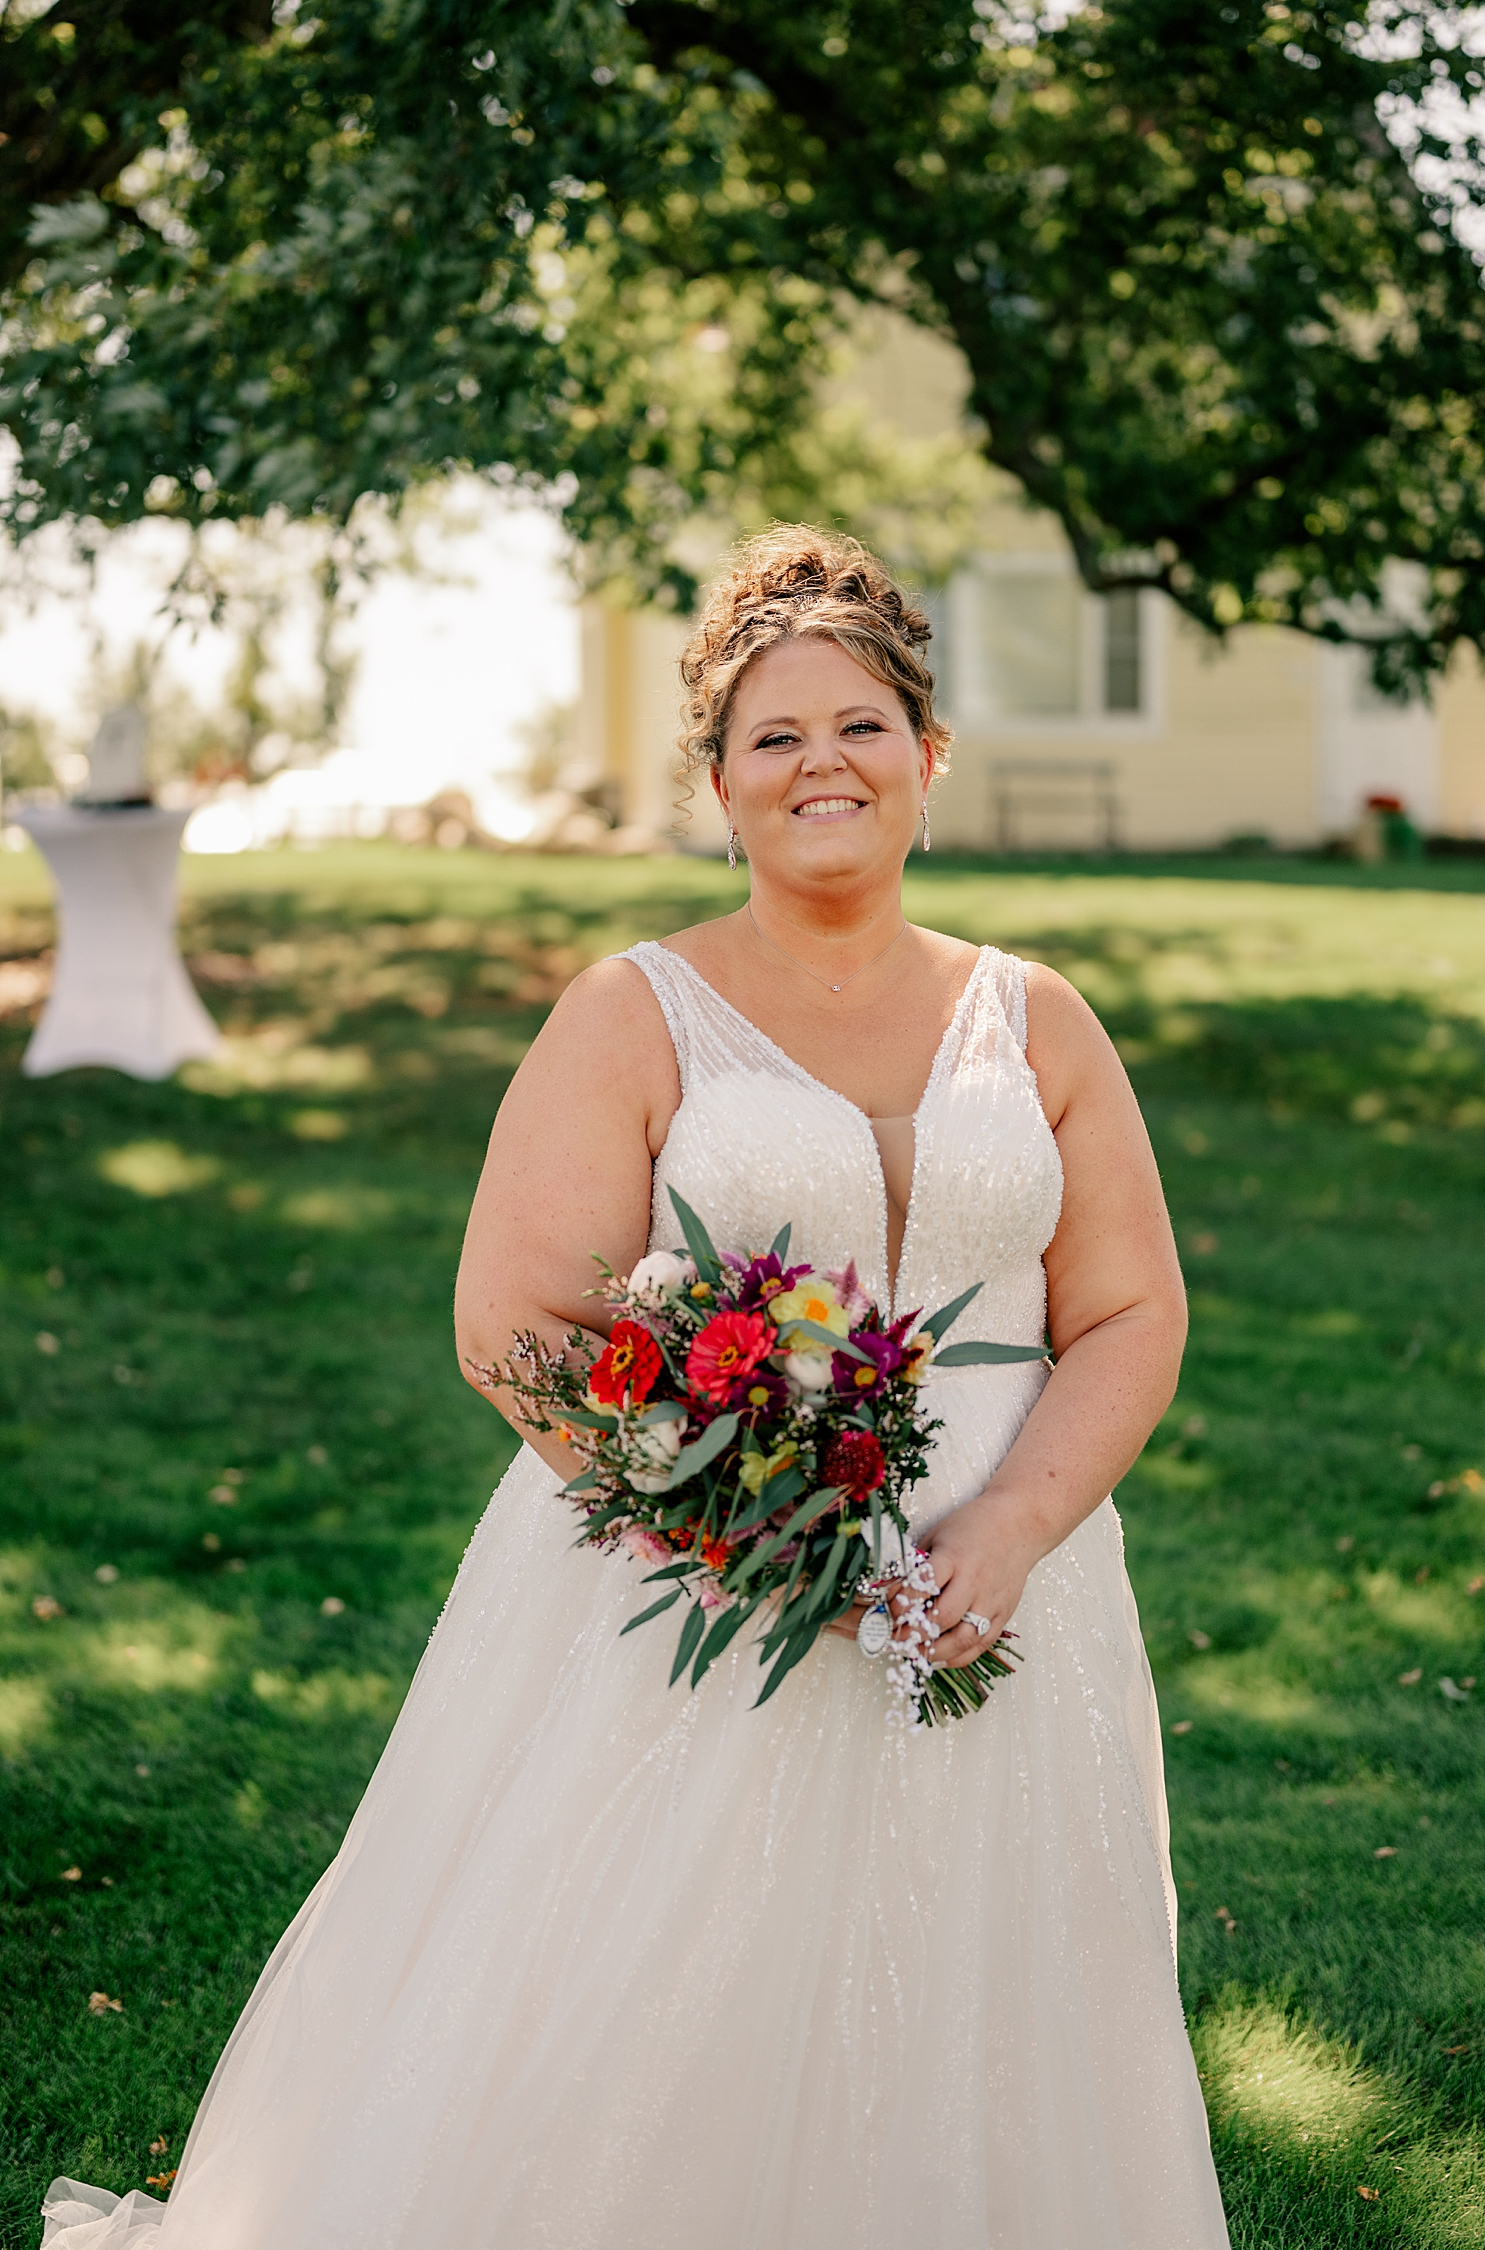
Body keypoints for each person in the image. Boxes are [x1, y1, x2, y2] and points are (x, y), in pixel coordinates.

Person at [42, 526, 1229, 2249]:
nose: (824, 762)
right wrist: (758, 1536)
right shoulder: (634, 1011)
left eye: (862, 725)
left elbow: (1128, 1310)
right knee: (652, 1983)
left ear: (927, 755)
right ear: (723, 785)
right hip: (701, 1588)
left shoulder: (1040, 1021)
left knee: (990, 1974)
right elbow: (514, 1321)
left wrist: (1018, 1527)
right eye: (775, 737)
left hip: (1009, 1587)